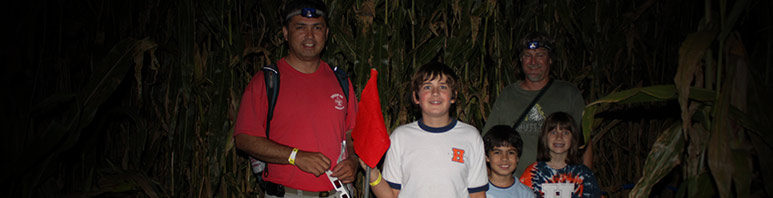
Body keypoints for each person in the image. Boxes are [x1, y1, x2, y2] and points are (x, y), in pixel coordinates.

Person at [233, 0, 358, 197]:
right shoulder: (267, 81)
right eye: (300, 27)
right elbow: (244, 139)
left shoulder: (340, 80)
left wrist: (353, 161)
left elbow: (352, 133)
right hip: (288, 193)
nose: (310, 35)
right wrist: (295, 156)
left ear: (326, 34)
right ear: (285, 33)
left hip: (337, 192)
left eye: (317, 28)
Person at [361, 62, 488, 198]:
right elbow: (391, 195)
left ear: (453, 96)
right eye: (427, 87)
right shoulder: (400, 137)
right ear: (416, 97)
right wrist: (372, 172)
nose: (435, 93)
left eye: (443, 87)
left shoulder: (470, 136)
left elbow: (477, 194)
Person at [482, 32, 591, 178]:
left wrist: (584, 182)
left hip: (559, 184)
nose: (533, 62)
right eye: (527, 55)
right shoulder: (508, 95)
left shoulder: (568, 93)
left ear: (550, 59)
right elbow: (487, 143)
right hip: (516, 185)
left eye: (540, 55)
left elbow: (586, 144)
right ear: (521, 60)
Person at [519, 112, 600, 198]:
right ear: (545, 137)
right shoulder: (532, 173)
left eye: (565, 133)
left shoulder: (584, 174)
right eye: (554, 132)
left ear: (573, 138)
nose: (559, 137)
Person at [483, 125, 537, 198]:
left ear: (517, 157)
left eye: (510, 152)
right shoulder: (477, 191)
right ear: (487, 157)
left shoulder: (526, 194)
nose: (504, 158)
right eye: (497, 152)